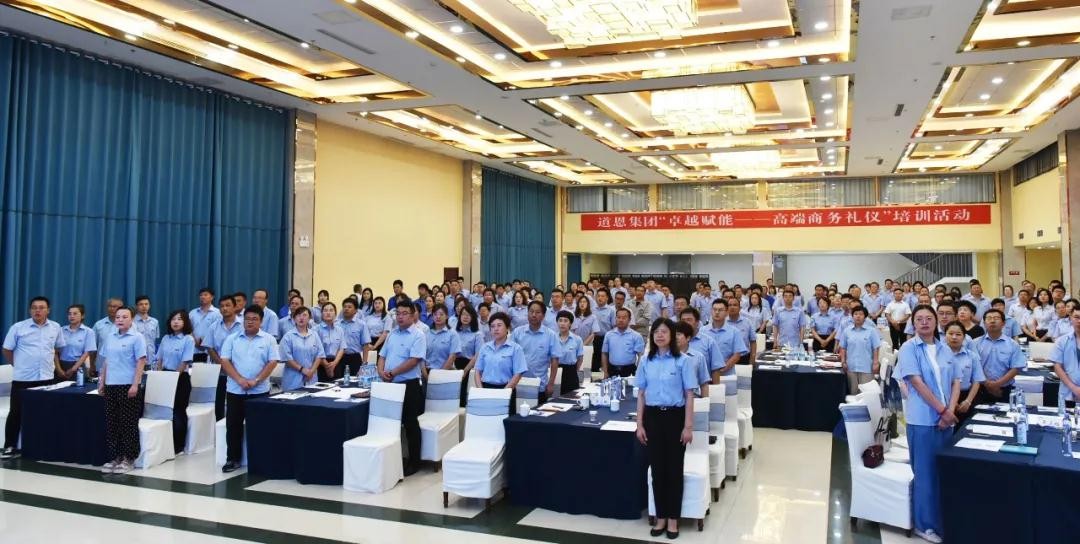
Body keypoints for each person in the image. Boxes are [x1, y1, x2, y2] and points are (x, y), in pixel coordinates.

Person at [896, 304, 959, 544]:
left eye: (929, 318)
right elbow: (917, 383)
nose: (924, 322)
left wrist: (950, 411)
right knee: (925, 474)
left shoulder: (944, 348)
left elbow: (955, 382)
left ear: (936, 321)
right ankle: (924, 525)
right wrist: (943, 411)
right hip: (923, 420)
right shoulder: (909, 348)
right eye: (919, 319)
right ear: (913, 323)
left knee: (942, 472)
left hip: (946, 420)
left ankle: (940, 519)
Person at [634, 318, 696, 540]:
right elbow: (641, 394)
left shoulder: (683, 361)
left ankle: (673, 519)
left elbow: (689, 395)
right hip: (652, 418)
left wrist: (688, 426)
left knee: (674, 471)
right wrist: (639, 424)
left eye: (664, 331)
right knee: (657, 470)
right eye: (656, 332)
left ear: (672, 336)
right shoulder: (645, 361)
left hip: (675, 418)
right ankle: (660, 516)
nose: (659, 335)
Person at [1, 297, 65, 459]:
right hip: (23, 379)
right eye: (34, 307)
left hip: (46, 379)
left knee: (44, 414)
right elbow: (7, 350)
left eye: (42, 307)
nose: (38, 310)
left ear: (48, 310)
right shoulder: (18, 327)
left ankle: (42, 446)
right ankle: (9, 446)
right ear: (30, 310)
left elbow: (58, 348)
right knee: (16, 413)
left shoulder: (55, 327)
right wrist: (18, 365)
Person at [219, 305, 279, 473]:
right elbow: (225, 361)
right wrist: (239, 379)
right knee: (233, 426)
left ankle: (260, 460)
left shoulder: (269, 339)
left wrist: (256, 380)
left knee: (260, 427)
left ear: (261, 321)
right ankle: (233, 459)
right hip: (235, 390)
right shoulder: (232, 339)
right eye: (247, 319)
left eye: (254, 319)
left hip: (259, 391)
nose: (250, 322)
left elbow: (272, 362)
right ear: (243, 320)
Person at [95, 306, 147, 474]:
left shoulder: (137, 337)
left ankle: (129, 458)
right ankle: (115, 457)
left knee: (128, 423)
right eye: (118, 317)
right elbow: (106, 361)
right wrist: (102, 382)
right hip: (111, 385)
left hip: (128, 385)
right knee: (113, 423)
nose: (120, 320)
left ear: (131, 319)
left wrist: (135, 384)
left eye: (124, 317)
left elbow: (141, 361)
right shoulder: (110, 337)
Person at [376, 301, 426, 476]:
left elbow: (414, 360)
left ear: (413, 315)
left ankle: (414, 462)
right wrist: (381, 371)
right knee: (391, 424)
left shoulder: (418, 335)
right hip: (390, 384)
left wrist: (392, 372)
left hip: (409, 385)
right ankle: (394, 459)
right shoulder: (392, 334)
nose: (400, 317)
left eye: (404, 313)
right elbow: (382, 355)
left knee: (410, 424)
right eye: (398, 313)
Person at [155, 310, 195, 454]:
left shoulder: (188, 339)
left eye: (179, 319)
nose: (176, 322)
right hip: (165, 377)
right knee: (165, 411)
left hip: (180, 378)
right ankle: (165, 442)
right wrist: (160, 376)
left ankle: (178, 445)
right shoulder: (166, 338)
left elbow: (184, 362)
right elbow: (159, 359)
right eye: (173, 319)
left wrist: (173, 378)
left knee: (178, 411)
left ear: (185, 322)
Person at [973, 309, 1026, 407]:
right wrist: (987, 384)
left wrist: (997, 384)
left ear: (1003, 323)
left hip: (1004, 390)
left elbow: (1016, 368)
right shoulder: (975, 343)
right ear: (984, 323)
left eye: (996, 318)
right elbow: (975, 366)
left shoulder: (1013, 344)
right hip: (980, 389)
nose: (992, 321)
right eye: (989, 318)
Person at [511, 301, 560, 403]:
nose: (534, 315)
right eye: (531, 311)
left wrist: (551, 383)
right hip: (517, 383)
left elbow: (554, 360)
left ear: (543, 316)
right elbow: (509, 356)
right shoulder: (517, 332)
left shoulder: (550, 335)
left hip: (539, 384)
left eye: (537, 312)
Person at [205, 294, 242, 420]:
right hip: (219, 370)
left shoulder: (243, 325)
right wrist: (222, 364)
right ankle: (218, 424)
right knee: (218, 401)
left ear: (235, 307)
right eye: (222, 306)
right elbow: (210, 347)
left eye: (228, 305)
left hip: (239, 370)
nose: (224, 308)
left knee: (236, 402)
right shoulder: (214, 326)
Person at [941, 320, 983, 425]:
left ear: (964, 337)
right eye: (950, 333)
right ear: (945, 336)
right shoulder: (938, 355)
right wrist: (952, 402)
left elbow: (977, 380)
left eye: (958, 334)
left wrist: (968, 401)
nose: (954, 337)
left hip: (965, 397)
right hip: (943, 398)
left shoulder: (972, 356)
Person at [280, 306, 325, 391]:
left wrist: (311, 371)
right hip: (293, 380)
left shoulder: (314, 335)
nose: (301, 318)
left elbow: (319, 355)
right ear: (294, 319)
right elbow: (287, 358)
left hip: (311, 379)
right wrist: (302, 370)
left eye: (304, 315)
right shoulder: (288, 336)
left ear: (309, 319)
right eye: (298, 315)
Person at [839, 305, 881, 394]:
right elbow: (843, 348)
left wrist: (876, 363)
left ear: (865, 317)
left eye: (861, 314)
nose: (858, 316)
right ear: (852, 316)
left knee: (867, 394)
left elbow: (876, 348)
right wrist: (843, 361)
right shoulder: (847, 331)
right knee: (853, 393)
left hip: (867, 367)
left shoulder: (871, 331)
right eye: (855, 314)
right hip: (851, 367)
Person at [703, 298, 748, 382]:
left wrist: (722, 369)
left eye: (720, 310)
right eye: (714, 309)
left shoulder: (734, 332)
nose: (717, 312)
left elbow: (737, 354)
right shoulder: (702, 331)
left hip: (726, 375)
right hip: (705, 376)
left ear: (727, 312)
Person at [1050, 306, 1080, 409]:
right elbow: (1057, 367)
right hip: (1068, 392)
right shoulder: (1062, 341)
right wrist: (1074, 388)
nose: (1079, 321)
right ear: (1071, 318)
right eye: (1076, 317)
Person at [602, 308, 645, 378]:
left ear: (629, 320)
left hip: (629, 370)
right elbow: (604, 354)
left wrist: (638, 372)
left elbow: (640, 355)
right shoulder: (608, 335)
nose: (621, 320)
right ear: (615, 319)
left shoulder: (636, 336)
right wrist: (605, 372)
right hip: (612, 370)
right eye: (618, 317)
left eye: (624, 318)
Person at [58, 304, 96, 380]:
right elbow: (55, 351)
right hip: (61, 365)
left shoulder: (88, 332)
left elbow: (87, 353)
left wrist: (73, 369)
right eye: (69, 314)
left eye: (75, 313)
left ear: (82, 316)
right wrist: (59, 369)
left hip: (78, 366)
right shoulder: (61, 330)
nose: (72, 316)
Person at [674, 320, 710, 397]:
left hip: (694, 398)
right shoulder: (668, 357)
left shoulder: (698, 357)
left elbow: (704, 384)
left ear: (688, 338)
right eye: (673, 334)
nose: (675, 337)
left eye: (678, 334)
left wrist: (705, 401)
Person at [337, 298, 372, 380]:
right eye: (344, 307)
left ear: (356, 310)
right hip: (339, 358)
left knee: (354, 383)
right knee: (338, 383)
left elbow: (365, 345)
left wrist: (364, 365)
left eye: (349, 307)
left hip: (355, 358)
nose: (346, 309)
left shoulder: (361, 324)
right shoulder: (337, 324)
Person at [553, 311, 584, 394]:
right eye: (560, 320)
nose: (562, 323)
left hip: (571, 372)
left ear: (570, 323)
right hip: (555, 371)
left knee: (572, 397)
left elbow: (580, 358)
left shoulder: (577, 339)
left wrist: (574, 369)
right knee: (555, 398)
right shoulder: (552, 338)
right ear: (557, 322)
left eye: (565, 321)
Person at [92, 297, 123, 375]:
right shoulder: (98, 325)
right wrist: (92, 365)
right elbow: (92, 347)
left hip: (121, 366)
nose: (112, 309)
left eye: (114, 306)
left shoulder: (127, 325)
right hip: (101, 366)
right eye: (110, 306)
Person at [426, 304, 461, 373]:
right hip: (427, 371)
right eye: (435, 314)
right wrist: (424, 372)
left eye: (441, 314)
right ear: (432, 316)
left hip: (445, 372)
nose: (438, 317)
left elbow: (452, 356)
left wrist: (440, 373)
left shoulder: (453, 334)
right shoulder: (427, 333)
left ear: (447, 316)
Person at [316, 302, 345, 383]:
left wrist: (334, 363)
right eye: (325, 310)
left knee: (337, 388)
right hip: (320, 364)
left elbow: (342, 348)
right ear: (321, 314)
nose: (328, 313)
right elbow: (316, 350)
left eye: (331, 310)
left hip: (336, 363)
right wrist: (326, 365)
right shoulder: (316, 330)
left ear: (335, 314)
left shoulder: (339, 330)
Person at [190, 288, 220, 363]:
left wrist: (204, 341)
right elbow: (188, 329)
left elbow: (218, 331)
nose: (202, 297)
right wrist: (194, 341)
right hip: (194, 350)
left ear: (212, 297)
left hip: (210, 351)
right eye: (201, 295)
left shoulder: (218, 313)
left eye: (205, 295)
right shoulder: (192, 313)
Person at [591, 288, 616, 373]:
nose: (600, 298)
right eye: (598, 296)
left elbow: (614, 326)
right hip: (593, 339)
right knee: (594, 362)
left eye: (602, 296)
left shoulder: (611, 310)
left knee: (605, 361)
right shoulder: (591, 309)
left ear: (607, 298)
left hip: (606, 338)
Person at [133, 295, 160, 369]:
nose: (144, 306)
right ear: (136, 306)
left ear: (149, 306)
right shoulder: (131, 322)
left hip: (151, 359)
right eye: (141, 304)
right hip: (136, 359)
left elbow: (155, 340)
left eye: (146, 304)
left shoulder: (155, 322)